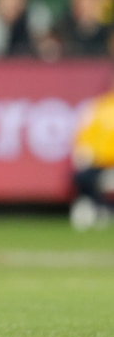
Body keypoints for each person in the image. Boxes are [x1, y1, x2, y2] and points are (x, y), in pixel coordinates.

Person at [69, 72, 114, 231]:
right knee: (82, 177)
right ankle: (102, 209)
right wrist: (84, 153)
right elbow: (85, 136)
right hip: (101, 163)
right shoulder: (99, 107)